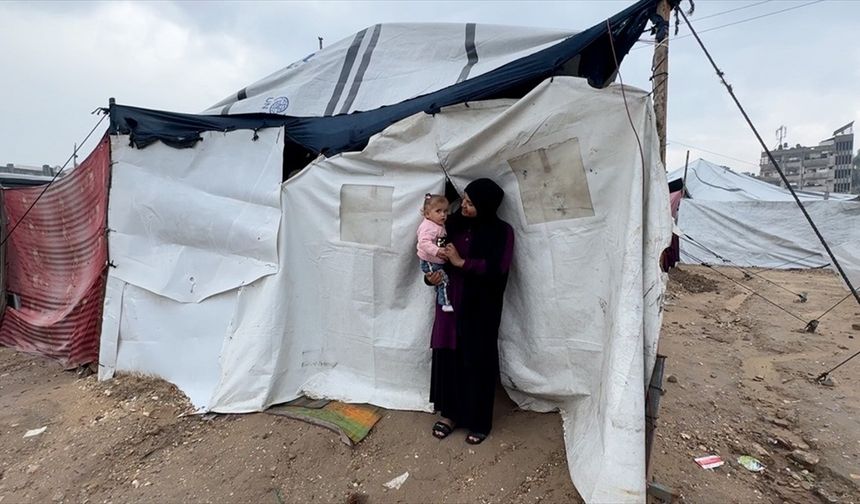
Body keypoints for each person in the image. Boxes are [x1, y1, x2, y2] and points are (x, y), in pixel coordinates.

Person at [425, 178, 515, 445]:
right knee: (448, 358)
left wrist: (461, 262)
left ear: (486, 205)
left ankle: (478, 421)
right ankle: (449, 414)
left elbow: (497, 268)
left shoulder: (502, 232)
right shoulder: (451, 225)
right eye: (464, 199)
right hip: (450, 302)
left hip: (480, 307)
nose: (463, 205)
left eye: (470, 203)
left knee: (477, 361)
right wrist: (431, 276)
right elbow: (432, 257)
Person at [416, 194, 454, 312]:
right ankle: (445, 303)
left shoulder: (438, 224)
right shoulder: (428, 226)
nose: (443, 215)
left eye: (445, 211)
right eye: (438, 211)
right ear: (427, 214)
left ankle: (443, 298)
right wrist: (437, 251)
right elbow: (423, 242)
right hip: (429, 261)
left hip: (436, 260)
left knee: (441, 281)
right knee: (443, 280)